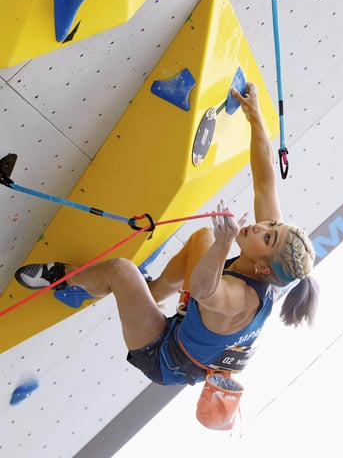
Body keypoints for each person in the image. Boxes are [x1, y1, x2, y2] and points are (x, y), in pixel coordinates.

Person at [15, 82, 319, 387]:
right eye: (272, 226)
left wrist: (226, 243)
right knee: (203, 238)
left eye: (268, 236)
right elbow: (265, 181)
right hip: (193, 322)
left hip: (163, 356)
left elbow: (202, 290)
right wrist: (254, 116)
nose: (261, 226)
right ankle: (153, 293)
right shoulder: (270, 259)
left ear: (263, 268)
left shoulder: (242, 299)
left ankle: (66, 281)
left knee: (121, 271)